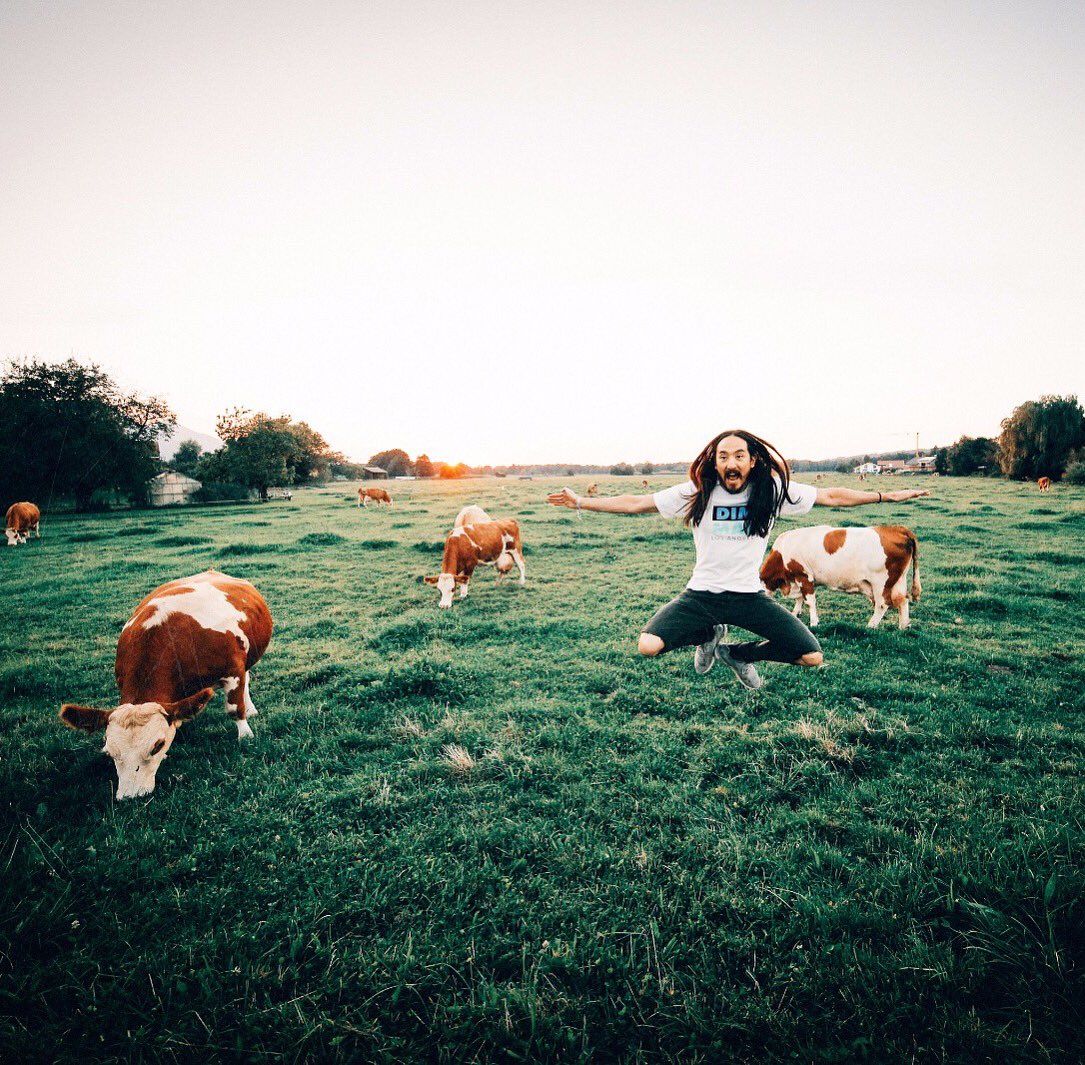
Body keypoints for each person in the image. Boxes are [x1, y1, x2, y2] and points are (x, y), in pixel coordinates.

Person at [547, 429, 929, 689]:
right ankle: (708, 634)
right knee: (648, 645)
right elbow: (637, 503)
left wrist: (887, 497)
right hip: (701, 595)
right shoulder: (697, 492)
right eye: (723, 456)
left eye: (739, 455)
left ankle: (737, 653)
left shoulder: (773, 491)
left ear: (752, 461)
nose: (731, 462)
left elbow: (831, 495)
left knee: (810, 655)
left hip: (749, 597)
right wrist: (582, 501)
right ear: (715, 463)